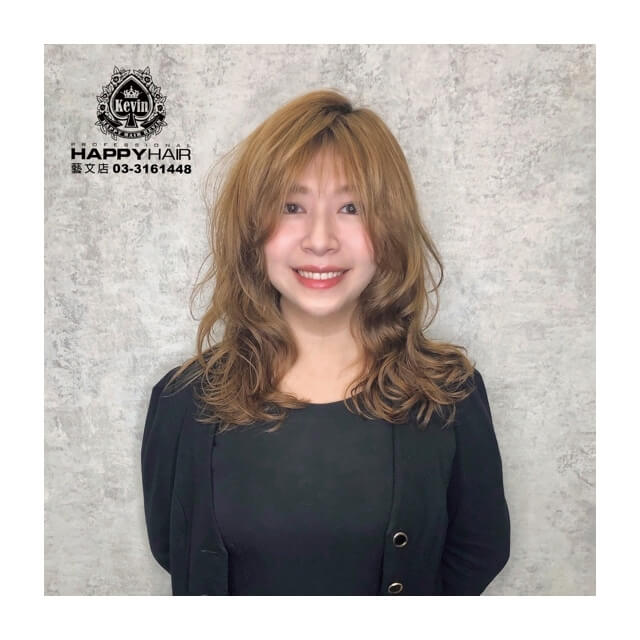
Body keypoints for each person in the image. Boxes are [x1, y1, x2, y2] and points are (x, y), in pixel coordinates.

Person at [141, 89, 510, 596]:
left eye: (351, 207)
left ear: (390, 227)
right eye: (292, 206)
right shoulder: (182, 401)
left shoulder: (450, 395)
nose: (320, 240)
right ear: (252, 229)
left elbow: (479, 551)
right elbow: (174, 549)